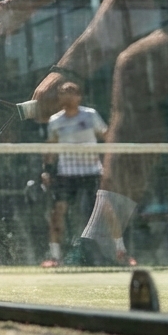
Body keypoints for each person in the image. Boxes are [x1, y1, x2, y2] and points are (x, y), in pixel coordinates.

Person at [0, 0, 168, 265]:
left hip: (87, 170)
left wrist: (69, 72)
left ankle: (100, 245)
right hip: (71, 175)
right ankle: (99, 244)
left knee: (137, 68)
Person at [39, 82, 108, 267]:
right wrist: (46, 170)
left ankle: (117, 253)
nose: (66, 94)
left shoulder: (90, 115)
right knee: (57, 212)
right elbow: (51, 147)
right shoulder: (55, 120)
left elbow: (107, 138)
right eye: (62, 92)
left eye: (71, 91)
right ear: (59, 97)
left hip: (92, 172)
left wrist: (108, 166)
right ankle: (55, 257)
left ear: (79, 96)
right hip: (66, 174)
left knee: (102, 213)